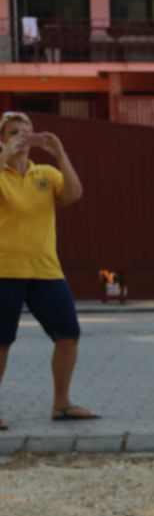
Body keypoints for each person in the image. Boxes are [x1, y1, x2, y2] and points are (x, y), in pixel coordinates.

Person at [0, 110, 96, 431]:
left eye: (25, 131)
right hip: (4, 271)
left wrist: (60, 154)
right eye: (13, 132)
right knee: (2, 342)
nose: (21, 137)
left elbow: (73, 194)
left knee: (68, 335)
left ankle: (62, 404)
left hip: (45, 270)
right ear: (2, 139)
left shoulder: (46, 173)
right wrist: (5, 156)